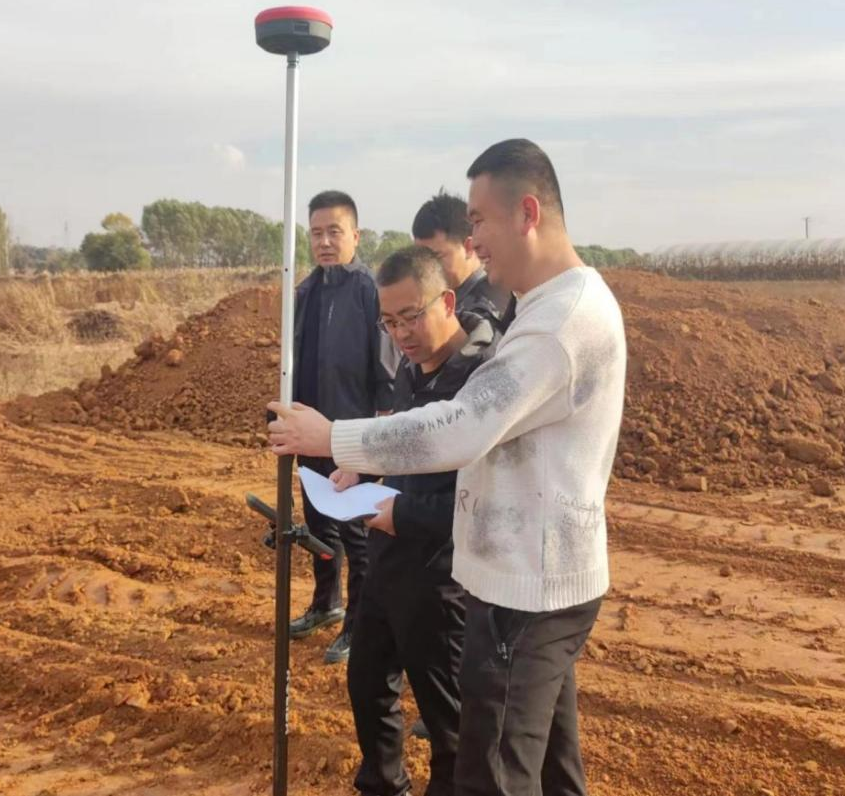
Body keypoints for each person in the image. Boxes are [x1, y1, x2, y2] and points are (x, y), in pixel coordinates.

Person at [268, 139, 626, 795]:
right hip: (531, 574)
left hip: (526, 585)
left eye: (478, 221)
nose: (472, 241)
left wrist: (335, 437)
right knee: (550, 767)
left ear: (526, 213)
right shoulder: (546, 307)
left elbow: (462, 426)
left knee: (491, 774)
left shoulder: (557, 324)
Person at [336, 245, 493, 796]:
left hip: (441, 580)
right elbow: (405, 450)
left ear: (446, 302)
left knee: (450, 722)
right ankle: (383, 785)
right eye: (388, 322)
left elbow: (475, 505)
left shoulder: (481, 382)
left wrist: (397, 512)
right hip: (388, 562)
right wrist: (364, 467)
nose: (400, 333)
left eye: (410, 317)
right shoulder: (411, 368)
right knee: (367, 683)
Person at [290, 189, 394, 665]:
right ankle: (325, 604)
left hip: (353, 437)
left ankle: (358, 625)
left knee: (358, 536)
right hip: (309, 433)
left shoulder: (369, 292)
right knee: (319, 526)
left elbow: (387, 372)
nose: (325, 242)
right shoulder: (306, 292)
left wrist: (377, 438)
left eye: (334, 231)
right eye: (316, 233)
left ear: (356, 234)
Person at [411, 190, 510, 324]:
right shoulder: (443, 299)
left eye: (437, 257)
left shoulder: (486, 307)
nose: (427, 269)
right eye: (422, 259)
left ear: (469, 247)